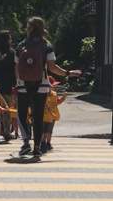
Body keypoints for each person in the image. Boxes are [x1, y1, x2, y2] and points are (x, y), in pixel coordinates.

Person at [15, 17, 80, 158]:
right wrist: (68, 73)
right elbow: (52, 67)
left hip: (23, 85)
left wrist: (19, 82)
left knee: (21, 114)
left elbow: (16, 67)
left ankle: (26, 142)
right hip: (42, 85)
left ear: (29, 28)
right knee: (39, 116)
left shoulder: (21, 45)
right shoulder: (46, 45)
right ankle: (37, 147)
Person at [41, 78, 66, 154]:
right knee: (43, 131)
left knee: (49, 131)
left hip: (52, 115)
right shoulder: (42, 94)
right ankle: (43, 143)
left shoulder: (54, 94)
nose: (54, 87)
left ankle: (48, 143)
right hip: (43, 116)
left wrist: (63, 97)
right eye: (53, 85)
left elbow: (57, 102)